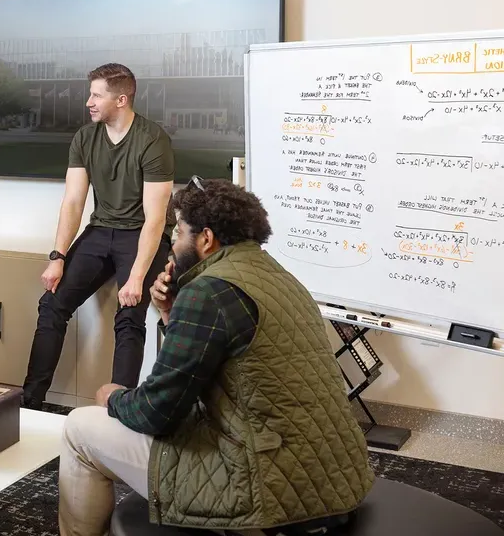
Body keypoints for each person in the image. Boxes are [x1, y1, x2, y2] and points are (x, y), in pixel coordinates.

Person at [58, 178, 374, 535]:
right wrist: (171, 313)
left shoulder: (209, 291)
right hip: (333, 479)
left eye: (178, 233)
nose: (173, 246)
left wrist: (113, 397)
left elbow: (156, 412)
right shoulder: (280, 277)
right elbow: (219, 371)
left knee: (79, 428)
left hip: (266, 489)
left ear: (205, 239)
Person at [22, 63, 174, 410]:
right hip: (101, 230)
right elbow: (74, 201)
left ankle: (120, 409)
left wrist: (136, 279)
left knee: (130, 314)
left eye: (96, 95)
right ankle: (29, 403)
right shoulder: (85, 137)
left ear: (121, 99)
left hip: (140, 234)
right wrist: (57, 258)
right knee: (51, 304)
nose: (89, 101)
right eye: (89, 94)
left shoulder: (153, 139)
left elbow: (156, 218)